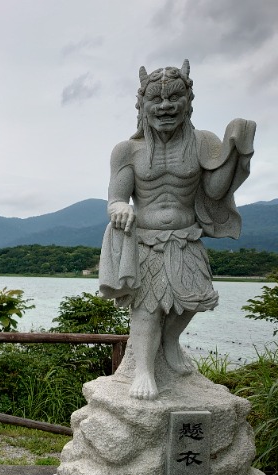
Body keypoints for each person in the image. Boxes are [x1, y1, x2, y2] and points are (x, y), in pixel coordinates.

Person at [99, 59, 255, 400]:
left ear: (188, 100)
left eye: (174, 97)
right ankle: (142, 370)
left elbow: (215, 191)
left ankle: (171, 343)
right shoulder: (128, 150)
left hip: (187, 237)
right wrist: (121, 207)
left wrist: (238, 154)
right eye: (156, 98)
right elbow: (115, 197)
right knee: (148, 308)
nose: (166, 105)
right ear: (142, 105)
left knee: (191, 301)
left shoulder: (202, 143)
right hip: (146, 241)